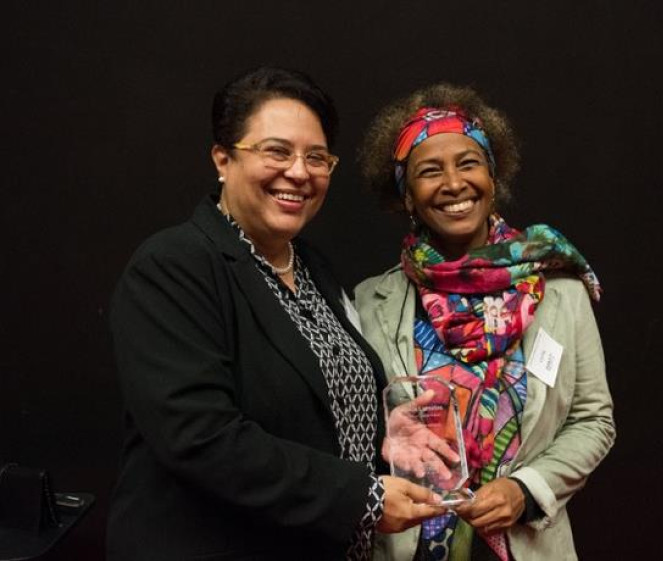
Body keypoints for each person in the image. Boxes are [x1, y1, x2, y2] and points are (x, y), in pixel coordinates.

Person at [107, 66, 444, 561]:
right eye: (277, 152)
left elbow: (308, 405)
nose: (300, 172)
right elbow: (201, 438)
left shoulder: (312, 268)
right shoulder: (174, 266)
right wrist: (363, 497)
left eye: (317, 157)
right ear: (223, 158)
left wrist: (383, 433)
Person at [354, 84, 616, 560]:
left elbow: (593, 419)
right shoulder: (371, 301)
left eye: (468, 163)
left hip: (527, 545)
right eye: (429, 171)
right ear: (407, 196)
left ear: (493, 177)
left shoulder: (559, 290)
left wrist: (527, 489)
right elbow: (352, 426)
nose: (454, 184)